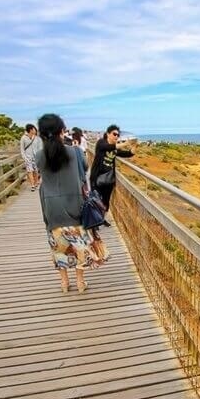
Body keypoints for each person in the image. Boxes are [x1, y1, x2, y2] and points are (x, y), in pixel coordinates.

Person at [36, 114, 105, 293]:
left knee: (58, 247)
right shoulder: (74, 152)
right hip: (74, 207)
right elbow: (85, 168)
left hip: (51, 209)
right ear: (62, 131)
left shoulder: (39, 156)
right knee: (80, 246)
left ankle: (64, 283)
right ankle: (80, 282)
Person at [89, 124, 134, 209]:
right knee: (95, 200)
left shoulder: (115, 148)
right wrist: (126, 143)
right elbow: (108, 147)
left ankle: (102, 219)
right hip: (97, 178)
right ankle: (94, 219)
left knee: (106, 202)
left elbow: (128, 154)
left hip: (108, 180)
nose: (116, 136)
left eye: (118, 135)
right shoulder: (101, 142)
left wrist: (134, 147)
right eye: (114, 134)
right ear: (108, 134)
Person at [20, 124, 41, 191]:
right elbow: (22, 149)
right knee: (30, 171)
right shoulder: (23, 138)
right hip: (28, 157)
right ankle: (32, 185)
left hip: (35, 157)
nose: (35, 130)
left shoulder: (36, 138)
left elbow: (39, 147)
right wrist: (24, 157)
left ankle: (36, 182)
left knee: (36, 171)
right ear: (31, 130)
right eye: (34, 129)